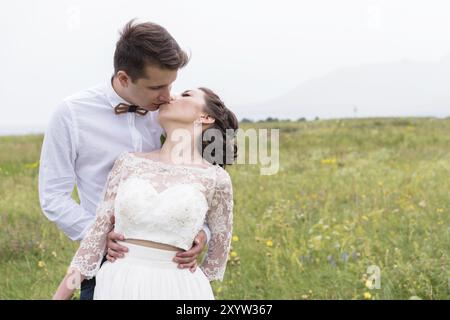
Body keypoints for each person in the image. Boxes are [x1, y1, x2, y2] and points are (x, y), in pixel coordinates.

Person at [39, 20, 211, 300]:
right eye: (157, 87)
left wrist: (201, 233)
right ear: (123, 79)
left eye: (172, 84)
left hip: (171, 267)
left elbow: (197, 181)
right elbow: (53, 195)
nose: (168, 96)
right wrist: (98, 236)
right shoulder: (71, 114)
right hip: (106, 261)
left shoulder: (170, 113)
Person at [53, 87, 238, 299]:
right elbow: (92, 244)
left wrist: (191, 285)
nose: (171, 96)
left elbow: (217, 256)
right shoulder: (128, 163)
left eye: (186, 95)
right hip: (118, 284)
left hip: (179, 288)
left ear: (206, 117)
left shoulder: (216, 178)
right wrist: (59, 297)